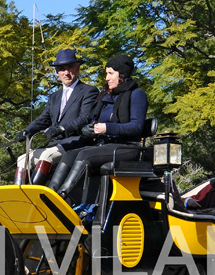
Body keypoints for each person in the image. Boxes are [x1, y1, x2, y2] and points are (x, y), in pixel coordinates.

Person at [45, 54, 149, 203]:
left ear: (122, 74)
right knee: (69, 154)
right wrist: (89, 129)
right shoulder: (106, 96)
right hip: (104, 144)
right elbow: (93, 119)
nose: (106, 78)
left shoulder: (137, 94)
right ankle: (49, 195)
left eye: (111, 73)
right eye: (106, 73)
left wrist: (107, 128)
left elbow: (136, 127)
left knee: (85, 155)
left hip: (126, 147)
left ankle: (62, 198)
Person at [14, 49, 98, 185]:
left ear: (77, 68)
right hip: (56, 145)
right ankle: (19, 197)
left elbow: (85, 118)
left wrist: (61, 128)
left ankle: (36, 195)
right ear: (57, 72)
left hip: (76, 142)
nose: (66, 72)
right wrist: (27, 131)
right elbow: (43, 119)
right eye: (61, 69)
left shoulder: (89, 91)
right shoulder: (55, 96)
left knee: (46, 156)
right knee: (23, 159)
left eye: (70, 67)